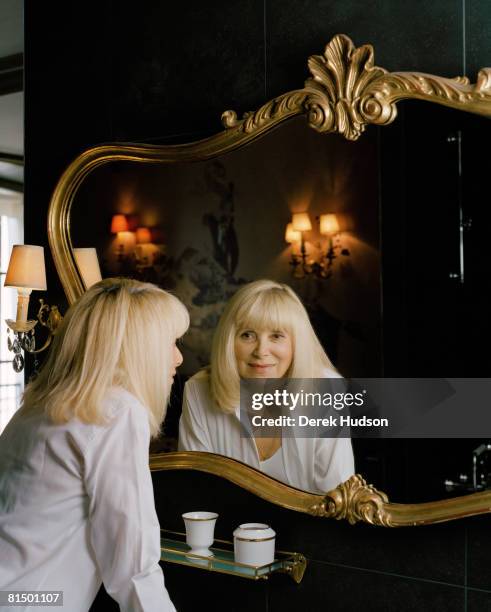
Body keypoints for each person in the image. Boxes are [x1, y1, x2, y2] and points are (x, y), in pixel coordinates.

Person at [0, 278, 189, 612]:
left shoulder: (38, 406)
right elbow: (133, 568)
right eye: (170, 342)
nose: (178, 358)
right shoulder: (117, 410)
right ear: (139, 347)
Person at [178, 279, 354, 494]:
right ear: (229, 341)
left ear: (296, 344)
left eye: (276, 336)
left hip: (310, 527)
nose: (261, 351)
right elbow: (196, 492)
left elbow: (336, 497)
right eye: (248, 335)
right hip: (225, 526)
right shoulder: (198, 391)